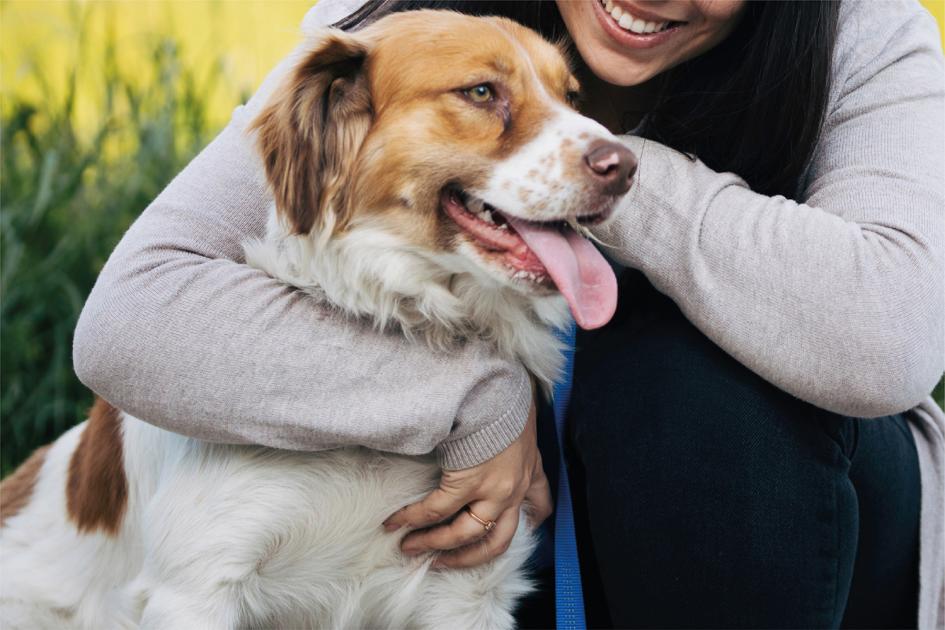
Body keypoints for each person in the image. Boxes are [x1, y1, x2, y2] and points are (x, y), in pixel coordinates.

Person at [73, 0, 944, 627]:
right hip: (506, 542)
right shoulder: (399, 32)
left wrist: (609, 176)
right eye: (487, 95)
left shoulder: (861, 31)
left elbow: (888, 341)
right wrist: (476, 400)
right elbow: (134, 314)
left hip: (791, 523)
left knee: (692, 386)